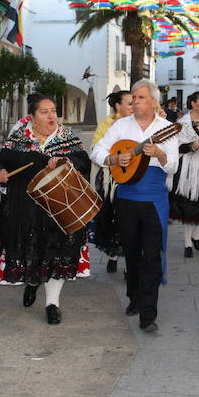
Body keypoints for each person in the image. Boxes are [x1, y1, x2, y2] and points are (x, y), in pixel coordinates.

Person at [0, 95, 91, 325]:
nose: (51, 115)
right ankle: (32, 282)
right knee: (32, 250)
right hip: (26, 208)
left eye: (53, 111)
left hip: (59, 206)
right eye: (44, 112)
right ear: (32, 117)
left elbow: (84, 161)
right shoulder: (19, 138)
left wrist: (67, 160)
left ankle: (52, 303)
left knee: (58, 250)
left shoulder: (67, 137)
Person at [92, 79, 178, 333]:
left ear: (154, 102)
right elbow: (96, 151)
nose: (135, 101)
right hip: (127, 197)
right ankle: (134, 296)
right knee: (131, 251)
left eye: (140, 97)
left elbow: (173, 165)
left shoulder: (167, 128)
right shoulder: (121, 126)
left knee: (151, 254)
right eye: (133, 98)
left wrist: (160, 154)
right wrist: (114, 158)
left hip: (154, 199)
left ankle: (148, 314)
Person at [91, 91, 134, 273]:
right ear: (118, 106)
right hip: (111, 178)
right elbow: (95, 149)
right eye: (130, 103)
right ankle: (113, 256)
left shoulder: (139, 123)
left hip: (133, 177)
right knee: (111, 217)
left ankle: (130, 264)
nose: (134, 106)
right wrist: (114, 157)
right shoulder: (107, 124)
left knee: (131, 220)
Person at [169, 91, 199, 258]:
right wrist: (191, 146)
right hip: (187, 168)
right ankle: (187, 243)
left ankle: (196, 236)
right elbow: (176, 147)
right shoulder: (182, 123)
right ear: (193, 103)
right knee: (189, 205)